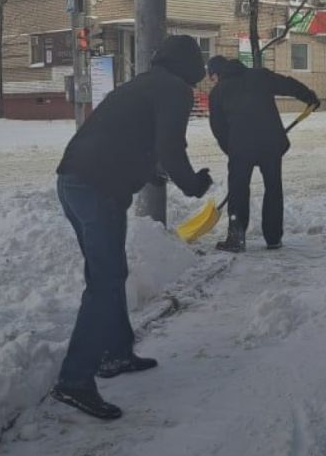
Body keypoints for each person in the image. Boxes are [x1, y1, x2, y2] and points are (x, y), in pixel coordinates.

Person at [53, 35, 213, 419]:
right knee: (105, 280)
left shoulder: (142, 83)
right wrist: (191, 183)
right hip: (98, 187)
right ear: (189, 65)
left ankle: (115, 353)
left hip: (73, 180)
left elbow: (132, 138)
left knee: (109, 273)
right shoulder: (175, 90)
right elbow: (171, 147)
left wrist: (150, 170)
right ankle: (74, 380)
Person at [206, 56, 318, 253]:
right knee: (273, 189)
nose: (212, 81)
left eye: (211, 77)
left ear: (216, 73)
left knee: (238, 190)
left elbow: (218, 128)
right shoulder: (258, 75)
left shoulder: (217, 92)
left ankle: (236, 237)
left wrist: (230, 149)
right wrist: (309, 97)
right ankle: (273, 238)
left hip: (240, 148)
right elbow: (287, 85)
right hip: (270, 144)